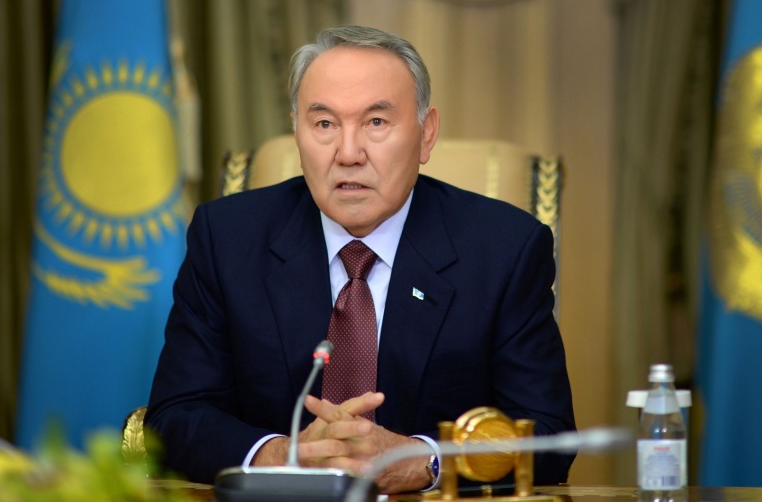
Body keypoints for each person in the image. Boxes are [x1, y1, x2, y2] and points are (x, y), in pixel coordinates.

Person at [145, 25, 575, 493]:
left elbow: (546, 436)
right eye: (324, 124)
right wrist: (281, 456)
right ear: (296, 132)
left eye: (376, 122)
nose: (348, 154)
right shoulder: (227, 238)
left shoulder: (503, 249)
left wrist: (422, 462)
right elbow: (175, 417)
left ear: (426, 134)